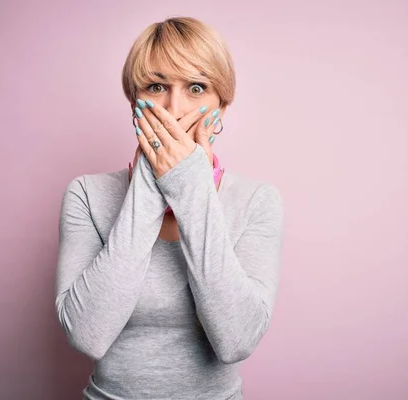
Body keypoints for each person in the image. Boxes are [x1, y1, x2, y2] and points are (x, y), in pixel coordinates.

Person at [55, 16, 285, 400]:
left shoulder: (257, 201)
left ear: (221, 108)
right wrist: (150, 181)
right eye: (157, 86)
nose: (174, 109)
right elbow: (87, 335)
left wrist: (190, 187)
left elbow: (236, 341)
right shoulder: (86, 195)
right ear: (134, 102)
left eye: (196, 87)